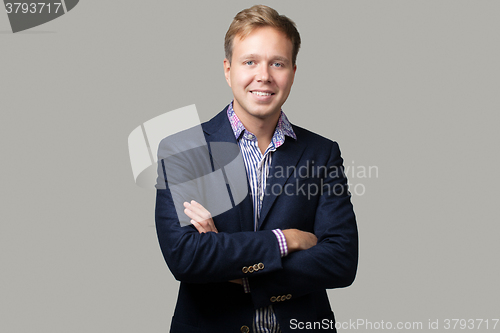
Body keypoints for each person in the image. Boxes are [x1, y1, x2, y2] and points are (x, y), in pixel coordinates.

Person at [155, 5, 358, 333]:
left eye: (277, 63)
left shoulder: (322, 153)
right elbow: (186, 256)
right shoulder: (184, 150)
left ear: (292, 70)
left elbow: (341, 260)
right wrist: (286, 240)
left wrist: (236, 269)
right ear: (227, 69)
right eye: (250, 62)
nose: (263, 76)